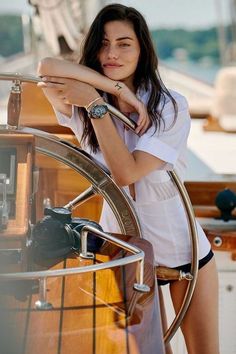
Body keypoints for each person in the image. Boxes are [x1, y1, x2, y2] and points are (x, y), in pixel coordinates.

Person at [37, 4, 219, 353]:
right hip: (125, 249)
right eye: (104, 44)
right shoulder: (81, 98)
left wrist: (96, 104)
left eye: (124, 44)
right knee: (148, 351)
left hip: (184, 249)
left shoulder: (170, 106)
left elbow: (127, 171)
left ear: (142, 50)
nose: (111, 53)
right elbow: (46, 67)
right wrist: (117, 93)